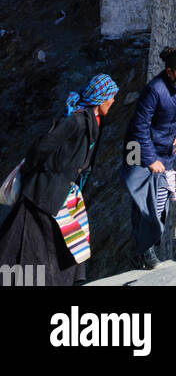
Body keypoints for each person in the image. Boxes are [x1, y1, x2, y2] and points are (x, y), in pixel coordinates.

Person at [0, 74, 117, 286]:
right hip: (44, 191)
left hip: (62, 191)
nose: (114, 101)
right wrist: (30, 173)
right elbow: (42, 147)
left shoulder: (94, 120)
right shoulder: (76, 120)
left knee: (63, 240)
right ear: (101, 99)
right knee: (31, 240)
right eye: (112, 97)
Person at [121, 47, 176, 268]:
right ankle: (144, 252)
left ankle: (150, 247)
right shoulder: (154, 90)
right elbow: (139, 127)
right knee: (143, 198)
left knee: (161, 198)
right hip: (138, 148)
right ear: (169, 72)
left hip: (165, 148)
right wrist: (150, 159)